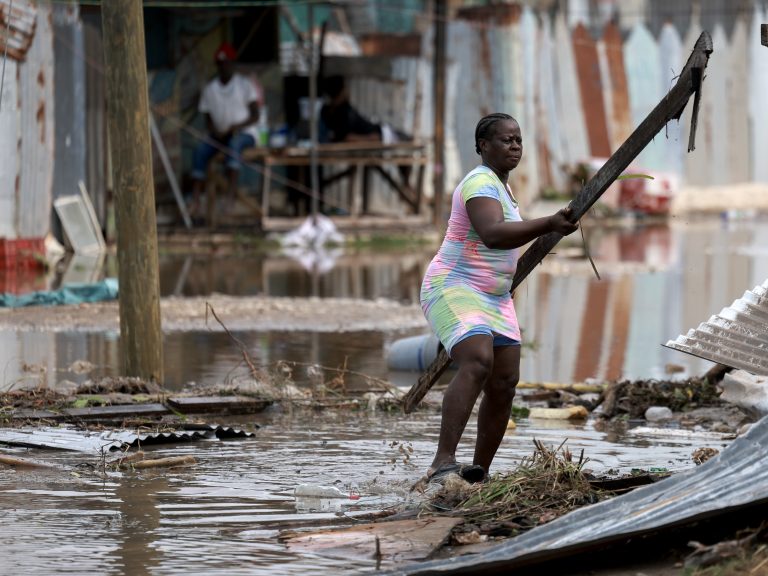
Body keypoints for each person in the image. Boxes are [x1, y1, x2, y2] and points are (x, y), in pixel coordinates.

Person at [420, 113, 579, 483]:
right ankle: (443, 461)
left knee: (505, 380)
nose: (514, 146)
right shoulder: (479, 183)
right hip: (453, 286)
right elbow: (492, 233)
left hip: (493, 297)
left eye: (518, 140)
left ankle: (479, 472)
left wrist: (548, 225)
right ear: (482, 146)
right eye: (505, 140)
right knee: (477, 360)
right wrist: (549, 223)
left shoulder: (503, 189)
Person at [189, 42, 260, 220]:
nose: (224, 67)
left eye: (227, 63)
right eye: (220, 64)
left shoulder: (244, 85)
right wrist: (217, 131)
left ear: (232, 64)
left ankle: (230, 198)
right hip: (219, 135)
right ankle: (196, 201)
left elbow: (255, 116)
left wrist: (235, 127)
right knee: (199, 151)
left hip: (244, 134)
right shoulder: (210, 89)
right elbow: (208, 120)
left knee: (234, 145)